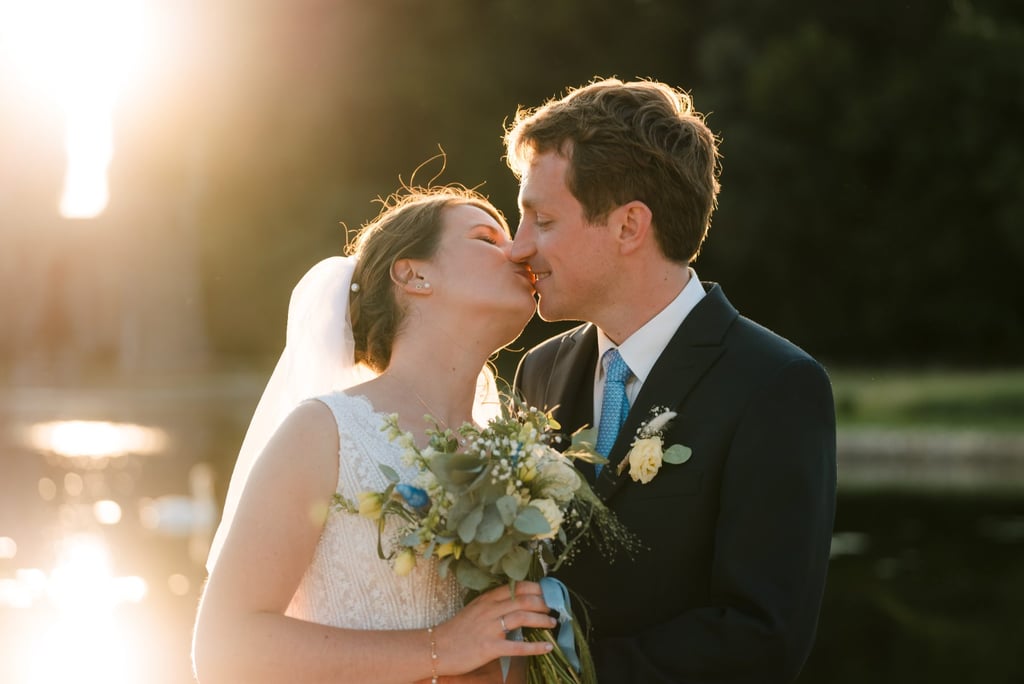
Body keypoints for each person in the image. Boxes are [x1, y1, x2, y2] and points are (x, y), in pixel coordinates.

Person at [505, 78, 837, 682]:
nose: (518, 246)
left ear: (630, 226)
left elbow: (763, 636)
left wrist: (568, 675)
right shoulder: (540, 370)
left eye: (543, 220)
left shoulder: (776, 386)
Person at [192, 186, 557, 684]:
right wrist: (439, 649)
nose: (518, 250)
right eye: (485, 238)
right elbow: (224, 648)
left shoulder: (516, 448)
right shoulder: (325, 432)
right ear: (414, 275)